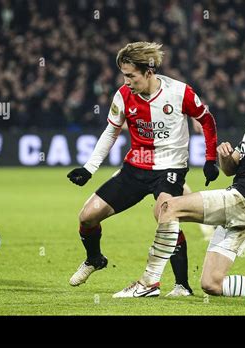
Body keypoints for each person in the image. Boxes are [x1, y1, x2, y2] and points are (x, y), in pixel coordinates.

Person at [113, 71, 245, 299]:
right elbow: (231, 169)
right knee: (212, 284)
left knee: (167, 208)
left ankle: (149, 282)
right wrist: (225, 156)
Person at [67, 42, 219, 297]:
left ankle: (180, 285)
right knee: (87, 216)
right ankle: (94, 259)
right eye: (123, 75)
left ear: (148, 72)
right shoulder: (123, 96)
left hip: (170, 168)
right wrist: (89, 168)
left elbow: (206, 120)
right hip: (135, 168)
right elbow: (111, 131)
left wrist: (210, 158)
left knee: (165, 215)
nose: (126, 81)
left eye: (130, 75)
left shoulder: (180, 92)